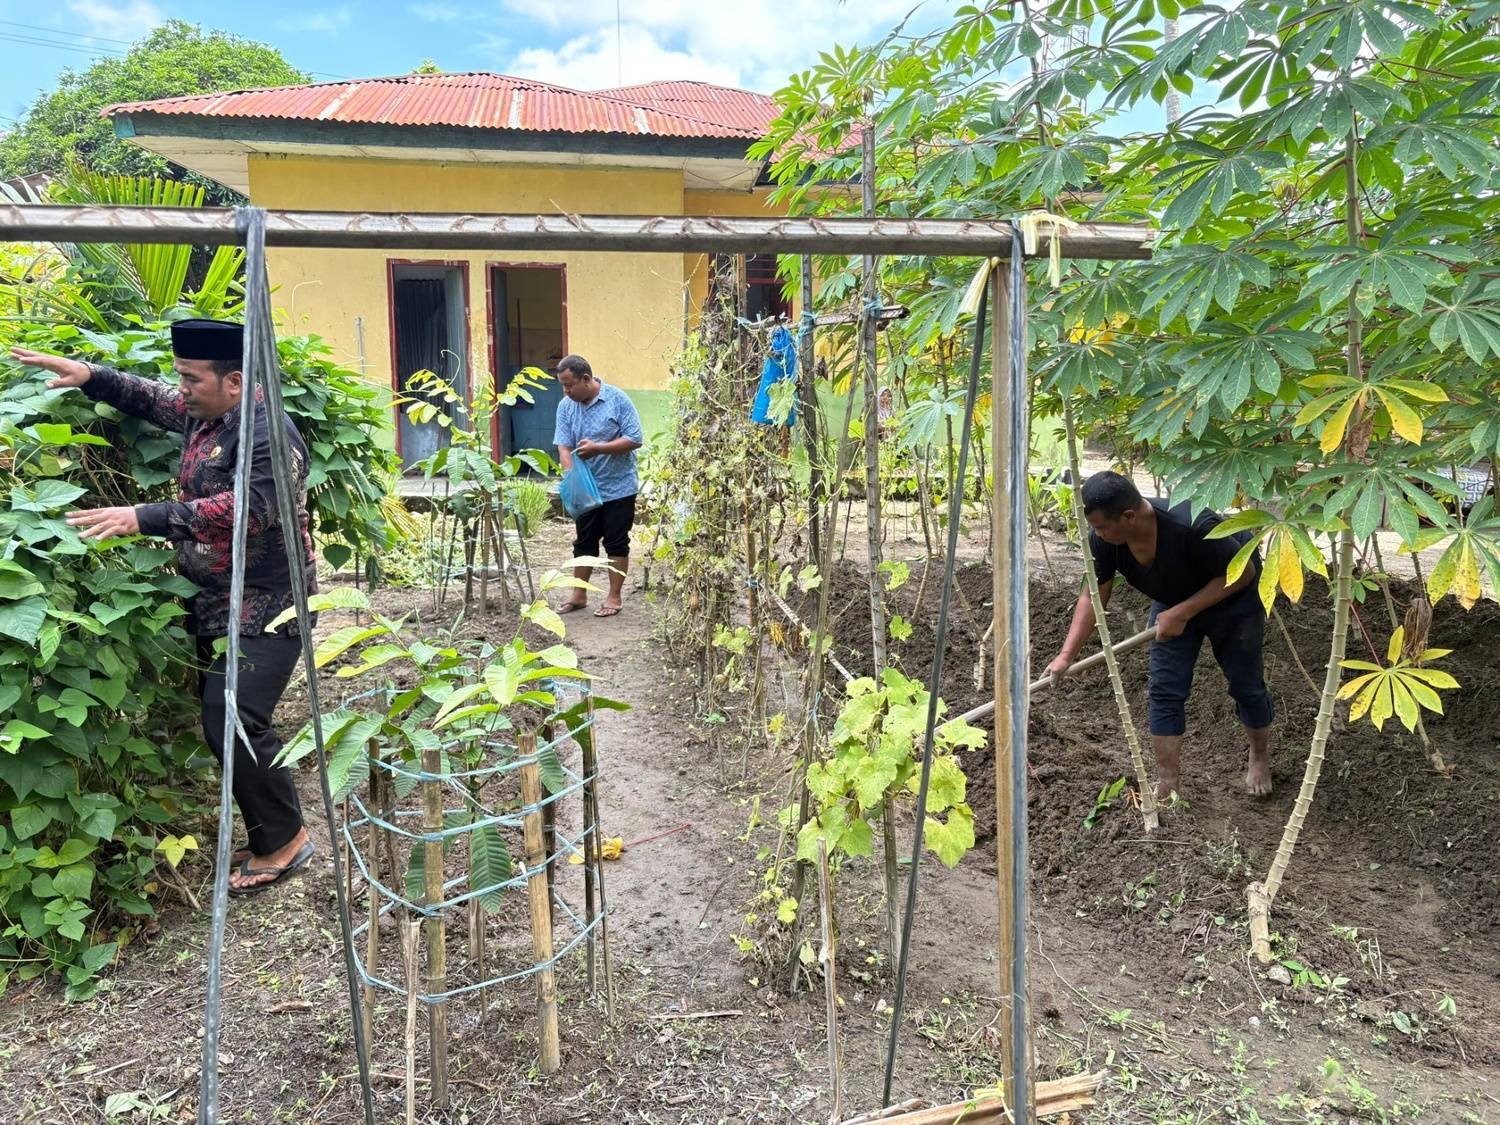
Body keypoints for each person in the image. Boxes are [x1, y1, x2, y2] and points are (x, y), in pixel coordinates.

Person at [11, 319, 318, 895]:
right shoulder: (208, 414)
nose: (180, 389)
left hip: (267, 604)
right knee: (223, 717)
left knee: (234, 719)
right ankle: (271, 828)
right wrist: (91, 377)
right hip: (211, 600)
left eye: (189, 378)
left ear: (233, 381)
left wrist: (143, 517)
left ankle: (285, 840)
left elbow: (253, 509)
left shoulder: (268, 433)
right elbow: (153, 400)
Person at [1045, 471, 1275, 801]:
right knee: (1165, 690)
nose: (1097, 534)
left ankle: (1259, 756)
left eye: (1101, 527)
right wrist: (1066, 656)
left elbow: (1243, 573)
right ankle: (1168, 784)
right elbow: (1092, 596)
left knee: (1245, 685)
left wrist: (1184, 612)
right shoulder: (1106, 541)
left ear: (1129, 516)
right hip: (1173, 599)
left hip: (1232, 597)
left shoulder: (1193, 526)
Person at [552, 354, 644, 618]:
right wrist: (572, 478)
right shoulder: (566, 406)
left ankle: (614, 597)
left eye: (569, 385)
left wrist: (599, 449)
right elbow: (564, 444)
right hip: (585, 490)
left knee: (616, 542)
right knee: (584, 542)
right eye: (563, 386)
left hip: (619, 487)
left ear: (586, 379)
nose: (566, 391)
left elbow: (635, 438)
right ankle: (578, 595)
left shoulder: (617, 400)